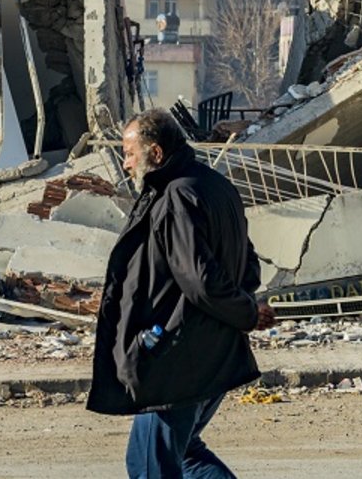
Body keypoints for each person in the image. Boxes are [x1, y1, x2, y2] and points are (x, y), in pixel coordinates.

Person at [87, 108, 275, 478]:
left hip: (179, 358)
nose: (125, 164)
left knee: (148, 466)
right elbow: (247, 263)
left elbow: (200, 280)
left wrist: (247, 313)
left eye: (129, 153)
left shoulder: (175, 196)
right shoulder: (215, 185)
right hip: (214, 349)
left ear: (155, 153)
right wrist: (246, 308)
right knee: (185, 453)